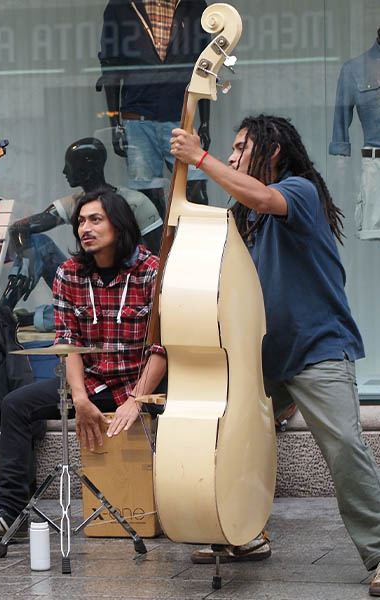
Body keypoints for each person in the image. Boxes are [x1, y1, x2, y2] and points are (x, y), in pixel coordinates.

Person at [170, 114, 380, 596]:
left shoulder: (298, 191)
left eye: (241, 147)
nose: (231, 156)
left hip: (317, 349)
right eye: (230, 150)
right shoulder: (255, 219)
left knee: (345, 447)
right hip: (264, 356)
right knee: (233, 440)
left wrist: (198, 157)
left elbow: (261, 194)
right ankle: (243, 533)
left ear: (273, 150)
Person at [0, 189, 167, 537]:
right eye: (80, 222)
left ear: (119, 225)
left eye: (95, 220)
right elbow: (68, 341)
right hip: (93, 385)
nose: (84, 228)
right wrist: (80, 400)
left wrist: (137, 400)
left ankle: (171, 505)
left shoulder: (153, 272)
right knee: (15, 404)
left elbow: (162, 348)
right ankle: (10, 513)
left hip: (142, 384)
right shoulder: (69, 274)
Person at [1, 137, 163, 329]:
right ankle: (2, 312)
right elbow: (20, 228)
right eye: (81, 220)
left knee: (99, 313)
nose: (64, 171)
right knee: (38, 243)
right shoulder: (73, 203)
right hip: (86, 286)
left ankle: (35, 317)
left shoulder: (136, 203)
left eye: (96, 220)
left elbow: (159, 258)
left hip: (124, 290)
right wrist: (28, 259)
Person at [98, 0, 211, 216]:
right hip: (138, 117)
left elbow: (205, 68)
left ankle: (193, 247)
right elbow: (111, 68)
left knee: (196, 194)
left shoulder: (194, 6)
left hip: (181, 117)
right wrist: (116, 125)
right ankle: (155, 250)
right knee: (147, 204)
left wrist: (205, 122)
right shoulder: (121, 7)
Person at [329, 29, 380, 240]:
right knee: (373, 232)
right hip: (376, 163)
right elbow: (341, 113)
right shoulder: (355, 69)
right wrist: (341, 157)